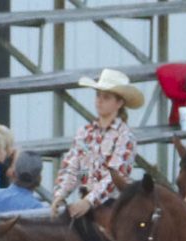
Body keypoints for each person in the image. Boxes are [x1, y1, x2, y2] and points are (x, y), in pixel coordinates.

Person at [51, 70, 140, 218]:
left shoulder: (125, 136)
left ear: (119, 103)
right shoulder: (85, 133)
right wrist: (61, 194)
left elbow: (115, 176)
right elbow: (76, 167)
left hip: (115, 206)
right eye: (98, 95)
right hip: (87, 201)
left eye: (106, 97)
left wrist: (88, 201)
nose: (99, 100)